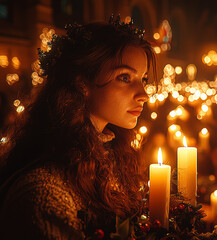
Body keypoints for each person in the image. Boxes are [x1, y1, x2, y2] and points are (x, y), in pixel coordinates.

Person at [0, 15, 157, 239]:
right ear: (81, 82)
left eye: (143, 79)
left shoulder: (111, 160)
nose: (143, 95)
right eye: (124, 77)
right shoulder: (45, 191)